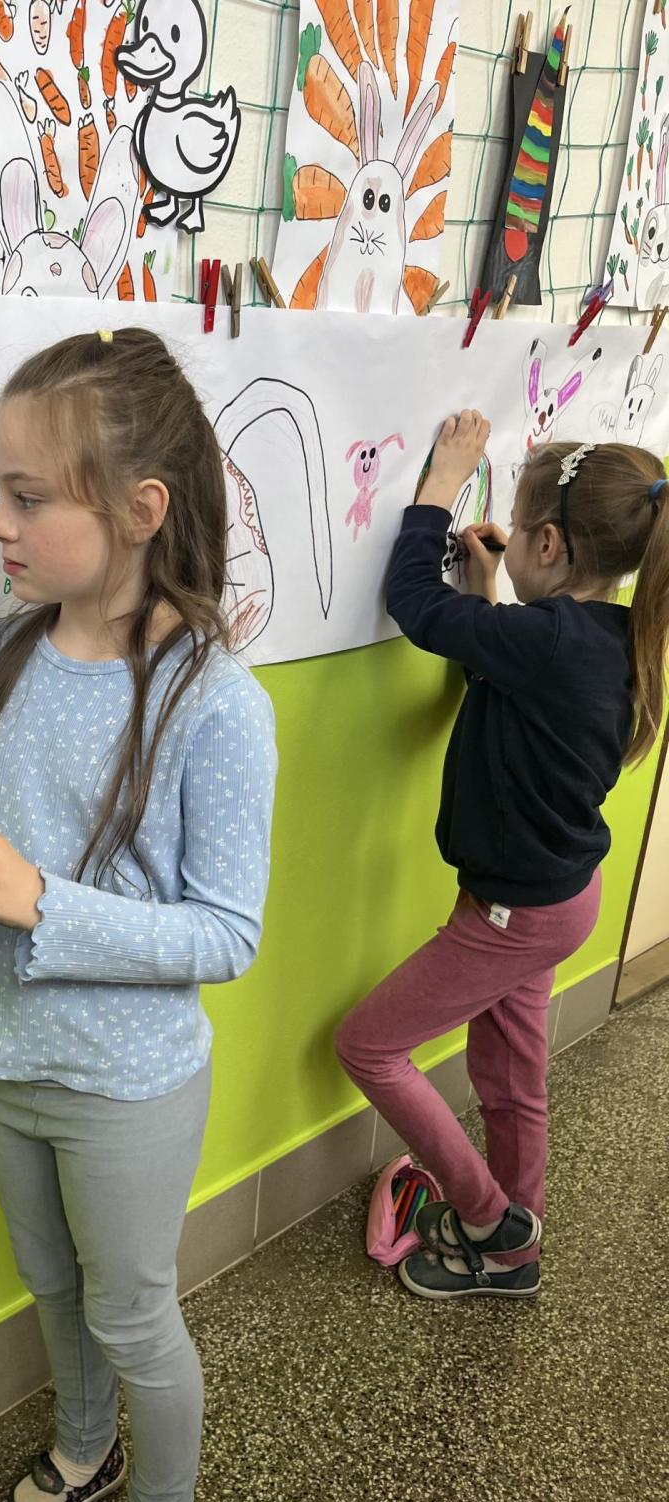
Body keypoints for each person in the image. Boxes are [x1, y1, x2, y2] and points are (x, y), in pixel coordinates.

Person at [0, 328, 276, 1502]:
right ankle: (87, 1450)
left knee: (132, 1312)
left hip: (129, 1087)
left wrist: (43, 901)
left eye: (26, 496)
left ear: (139, 510)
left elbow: (227, 932)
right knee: (51, 1283)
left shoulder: (214, 701)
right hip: (5, 1060)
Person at [337, 412, 669, 1300]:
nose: (510, 537)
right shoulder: (608, 636)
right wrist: (491, 589)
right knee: (510, 1076)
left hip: (513, 913)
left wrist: (441, 485)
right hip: (563, 900)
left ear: (548, 543)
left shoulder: (544, 642)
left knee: (368, 1047)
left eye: (518, 527)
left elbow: (416, 604)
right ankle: (517, 1245)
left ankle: (489, 1221)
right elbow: (513, 667)